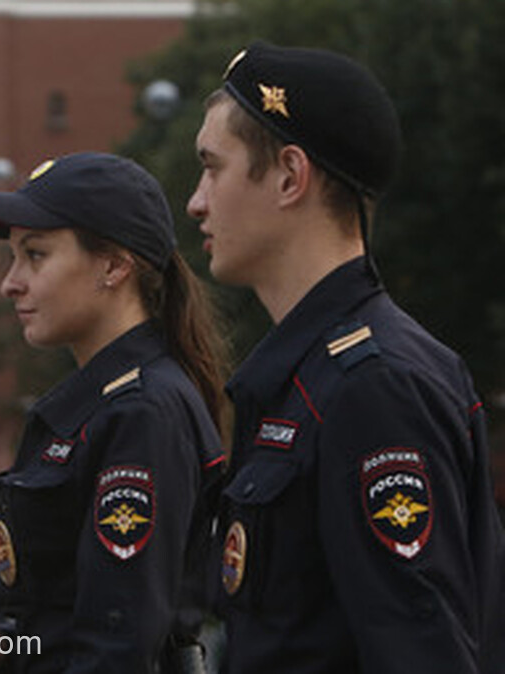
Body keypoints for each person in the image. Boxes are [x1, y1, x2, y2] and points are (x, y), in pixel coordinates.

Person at [187, 41, 505, 672]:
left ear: (289, 176)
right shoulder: (305, 377)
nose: (196, 201)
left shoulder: (373, 385)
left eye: (212, 168)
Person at [0, 151, 228, 673]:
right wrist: (6, 643)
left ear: (115, 265)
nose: (11, 282)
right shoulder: (102, 405)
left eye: (36, 255)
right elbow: (76, 619)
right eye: (13, 257)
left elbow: (118, 647)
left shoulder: (141, 412)